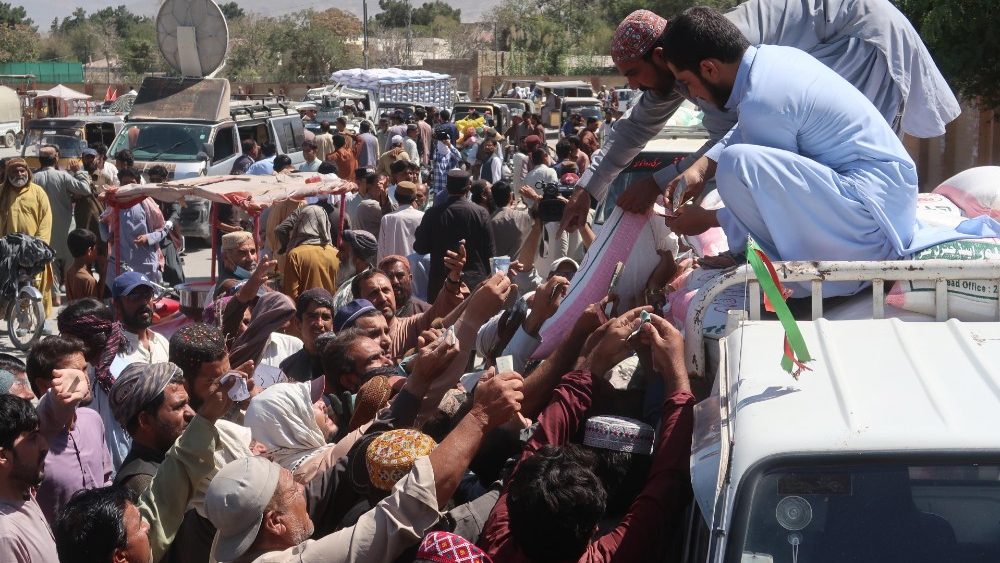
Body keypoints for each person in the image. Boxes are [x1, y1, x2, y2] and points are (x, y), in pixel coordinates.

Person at [660, 8, 998, 288]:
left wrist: (707, 219)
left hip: (871, 229)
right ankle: (755, 254)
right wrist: (699, 169)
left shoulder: (764, 100)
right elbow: (750, 131)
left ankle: (834, 282)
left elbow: (771, 197)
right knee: (736, 163)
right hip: (881, 205)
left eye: (688, 83)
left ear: (709, 68)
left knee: (737, 165)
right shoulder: (772, 64)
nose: (694, 96)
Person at [561, 3, 963, 234]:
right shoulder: (693, 69)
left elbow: (746, 143)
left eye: (633, 72)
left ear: (667, 59)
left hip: (858, 39)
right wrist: (589, 189)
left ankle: (875, 236)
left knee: (806, 172)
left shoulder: (748, 71)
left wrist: (676, 189)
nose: (634, 85)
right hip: (831, 48)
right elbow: (636, 128)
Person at [202, 368, 524, 562]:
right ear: (274, 523)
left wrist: (414, 385)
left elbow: (335, 476)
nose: (305, 486)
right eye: (295, 488)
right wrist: (479, 418)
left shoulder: (244, 535)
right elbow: (399, 514)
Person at [480, 312, 695, 562]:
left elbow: (665, 490)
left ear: (511, 508)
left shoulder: (498, 541)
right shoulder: (608, 555)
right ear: (595, 530)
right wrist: (676, 371)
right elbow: (666, 487)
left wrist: (594, 363)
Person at [53, 361, 238, 563]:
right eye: (178, 406)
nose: (190, 413)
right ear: (145, 421)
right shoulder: (142, 481)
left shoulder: (166, 460)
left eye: (188, 403)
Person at [0, 367, 91, 561]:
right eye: (33, 438)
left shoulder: (22, 491)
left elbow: (49, 416)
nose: (44, 445)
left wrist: (75, 380)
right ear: (3, 456)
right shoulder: (6, 535)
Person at [25, 336, 113, 524]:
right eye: (75, 374)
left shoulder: (93, 420)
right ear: (43, 385)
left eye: (85, 370)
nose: (85, 380)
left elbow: (106, 480)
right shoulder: (29, 441)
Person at [414, 170, 496, 300]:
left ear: (447, 188)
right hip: (474, 285)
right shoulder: (481, 213)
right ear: (468, 188)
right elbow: (490, 253)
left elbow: (420, 248)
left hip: (441, 285)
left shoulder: (432, 214)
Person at [0, 157, 55, 316]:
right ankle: (17, 318)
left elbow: (46, 219)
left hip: (33, 247)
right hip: (8, 248)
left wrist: (41, 243)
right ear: (7, 173)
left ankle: (41, 318)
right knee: (10, 283)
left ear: (28, 172)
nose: (19, 173)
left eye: (22, 170)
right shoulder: (2, 191)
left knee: (38, 281)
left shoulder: (38, 192)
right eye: (14, 171)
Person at [33, 145, 92, 289]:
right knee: (70, 261)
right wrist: (79, 172)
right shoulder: (63, 176)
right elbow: (85, 189)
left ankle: (55, 295)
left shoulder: (33, 178)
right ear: (56, 158)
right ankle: (70, 291)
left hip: (44, 229)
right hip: (66, 227)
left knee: (49, 262)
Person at [100, 167, 167, 284]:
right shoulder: (116, 203)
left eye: (131, 183)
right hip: (120, 262)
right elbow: (102, 221)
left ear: (138, 183)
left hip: (144, 262)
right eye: (124, 183)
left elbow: (163, 229)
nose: (128, 187)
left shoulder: (147, 203)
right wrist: (107, 236)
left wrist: (148, 238)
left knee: (146, 296)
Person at [278, 205, 341, 299]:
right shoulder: (337, 254)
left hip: (306, 313)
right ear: (324, 223)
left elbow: (291, 295)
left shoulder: (295, 255)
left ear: (300, 224)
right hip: (331, 311)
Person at [111, 272, 171, 367]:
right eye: (135, 296)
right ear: (117, 306)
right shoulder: (113, 351)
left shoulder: (161, 341)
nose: (144, 302)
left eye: (147, 294)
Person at [279, 289, 335, 383]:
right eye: (312, 316)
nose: (320, 324)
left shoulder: (344, 360)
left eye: (326, 317)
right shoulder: (288, 367)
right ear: (298, 323)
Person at [146, 165, 185, 287]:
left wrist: (169, 223)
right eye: (152, 180)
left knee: (173, 270)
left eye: (158, 180)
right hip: (149, 236)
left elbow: (176, 211)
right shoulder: (146, 193)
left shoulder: (171, 192)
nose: (155, 183)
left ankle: (179, 295)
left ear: (165, 179)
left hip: (167, 236)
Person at [332, 229, 379, 311]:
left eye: (342, 250)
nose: (338, 255)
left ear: (357, 257)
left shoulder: (365, 287)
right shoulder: (350, 285)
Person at [377, 181, 424, 261]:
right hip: (416, 268)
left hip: (392, 268)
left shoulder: (387, 218)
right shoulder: (423, 216)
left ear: (396, 197)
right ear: (414, 198)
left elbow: (381, 250)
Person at [488, 181, 534, 259]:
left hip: (496, 268)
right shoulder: (522, 216)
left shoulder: (488, 221)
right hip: (518, 268)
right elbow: (539, 212)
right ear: (510, 196)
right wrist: (534, 197)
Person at [215, 231, 258, 297]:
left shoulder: (252, 278)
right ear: (225, 257)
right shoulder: (228, 285)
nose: (250, 258)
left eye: (252, 252)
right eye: (242, 253)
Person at [65, 228, 100, 301]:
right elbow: (95, 307)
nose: (97, 252)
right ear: (89, 251)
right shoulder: (88, 280)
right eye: (96, 249)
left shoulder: (69, 272)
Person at [430, 129, 462, 206]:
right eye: (441, 141)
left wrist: (449, 145)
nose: (442, 142)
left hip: (448, 190)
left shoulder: (451, 153)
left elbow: (459, 157)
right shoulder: (436, 152)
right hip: (437, 189)